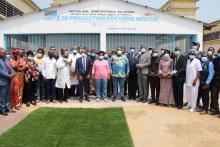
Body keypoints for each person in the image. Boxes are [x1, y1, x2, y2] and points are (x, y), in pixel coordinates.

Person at [0, 48, 14, 116]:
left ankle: (7, 108)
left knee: (8, 95)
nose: (4, 54)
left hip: (9, 80)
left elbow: (11, 68)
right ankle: (2, 110)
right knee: (2, 96)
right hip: (2, 80)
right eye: (2, 53)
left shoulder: (7, 59)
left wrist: (12, 74)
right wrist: (8, 75)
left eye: (5, 53)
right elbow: (0, 71)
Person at [210, 48, 220, 117]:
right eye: (219, 52)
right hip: (216, 81)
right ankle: (216, 110)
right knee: (214, 96)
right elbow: (212, 70)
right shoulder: (215, 60)